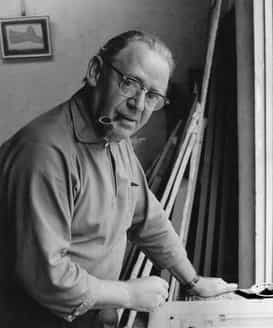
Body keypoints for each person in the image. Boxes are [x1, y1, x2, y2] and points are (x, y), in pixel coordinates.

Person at [0, 30, 237, 328]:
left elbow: (148, 218)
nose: (139, 104)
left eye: (152, 96)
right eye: (131, 83)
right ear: (96, 72)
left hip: (95, 314)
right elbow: (47, 275)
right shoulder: (43, 152)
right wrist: (127, 293)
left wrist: (193, 280)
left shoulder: (114, 137)